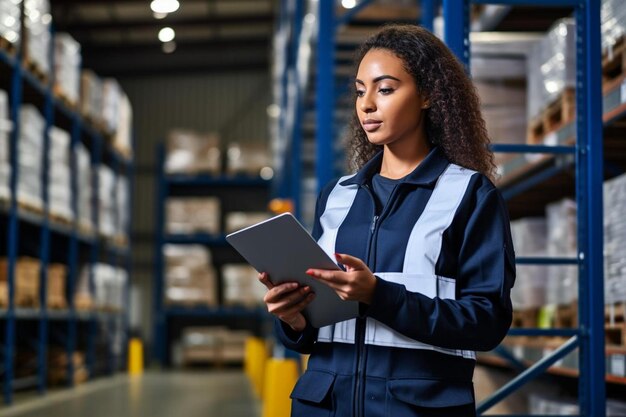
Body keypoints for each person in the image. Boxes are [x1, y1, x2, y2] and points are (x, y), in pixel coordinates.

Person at [258, 24, 515, 417]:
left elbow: (486, 322)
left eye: (386, 89)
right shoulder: (338, 195)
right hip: (324, 406)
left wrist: (379, 295)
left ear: (428, 95)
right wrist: (294, 318)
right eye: (361, 91)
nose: (367, 105)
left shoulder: (469, 195)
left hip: (413, 409)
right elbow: (315, 334)